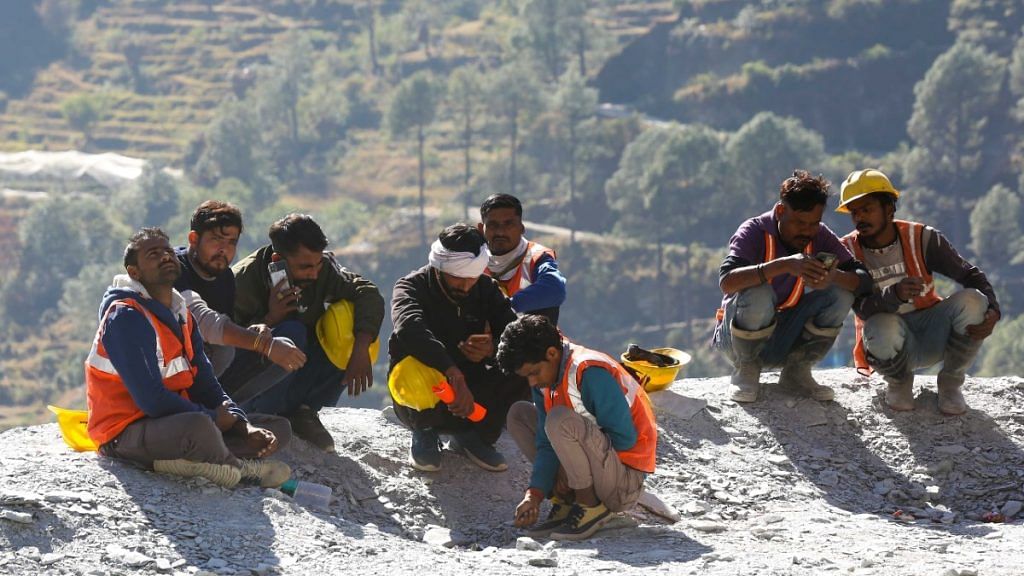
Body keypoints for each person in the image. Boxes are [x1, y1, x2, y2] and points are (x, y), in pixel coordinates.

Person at [85, 228, 291, 489]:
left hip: (173, 422)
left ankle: (195, 461)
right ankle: (241, 469)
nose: (165, 257)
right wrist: (214, 418)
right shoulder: (126, 316)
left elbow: (205, 383)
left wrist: (240, 424)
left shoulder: (181, 312)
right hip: (124, 433)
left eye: (168, 251)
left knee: (277, 428)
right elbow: (152, 401)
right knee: (198, 426)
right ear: (134, 273)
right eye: (153, 254)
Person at [836, 169, 1000, 415]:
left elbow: (969, 275)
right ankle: (899, 383)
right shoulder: (846, 251)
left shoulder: (922, 238)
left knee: (975, 301)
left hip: (934, 332)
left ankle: (950, 384)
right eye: (854, 212)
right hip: (888, 342)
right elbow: (861, 308)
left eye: (867, 209)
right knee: (880, 326)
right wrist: (895, 295)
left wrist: (994, 312)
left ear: (889, 208)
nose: (860, 217)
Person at [712, 170, 871, 403]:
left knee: (840, 293)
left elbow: (863, 278)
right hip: (735, 339)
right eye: (799, 223)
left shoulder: (819, 235)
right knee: (759, 291)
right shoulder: (753, 231)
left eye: (813, 223)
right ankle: (746, 369)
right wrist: (782, 266)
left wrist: (833, 276)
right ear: (780, 211)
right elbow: (727, 282)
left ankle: (797, 371)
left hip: (783, 336)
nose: (807, 231)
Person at [231, 214, 385, 452]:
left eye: (318, 265)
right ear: (277, 259)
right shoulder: (242, 281)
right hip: (253, 386)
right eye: (304, 267)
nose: (314, 274)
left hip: (300, 371)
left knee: (345, 325)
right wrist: (270, 319)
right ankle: (262, 416)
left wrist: (361, 348)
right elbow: (223, 348)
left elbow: (367, 292)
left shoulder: (322, 269)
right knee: (291, 332)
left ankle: (303, 411)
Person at [497, 314, 657, 541]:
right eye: (526, 377)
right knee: (519, 415)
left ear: (551, 353)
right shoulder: (544, 381)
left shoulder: (588, 372)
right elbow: (545, 442)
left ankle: (588, 504)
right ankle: (564, 501)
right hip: (595, 463)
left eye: (533, 372)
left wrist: (570, 466)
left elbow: (624, 439)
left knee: (559, 420)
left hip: (622, 480)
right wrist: (534, 494)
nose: (532, 382)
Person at [388, 223, 528, 472]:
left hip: (470, 387)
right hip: (430, 383)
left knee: (523, 364)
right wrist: (452, 372)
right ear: (440, 267)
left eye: (471, 278)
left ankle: (470, 435)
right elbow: (409, 328)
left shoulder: (485, 288)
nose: (465, 287)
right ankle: (425, 430)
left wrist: (492, 348)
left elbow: (514, 332)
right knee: (411, 365)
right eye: (458, 278)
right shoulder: (410, 287)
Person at [174, 200, 306, 392]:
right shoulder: (172, 268)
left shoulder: (224, 278)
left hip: (205, 368)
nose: (224, 249)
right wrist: (265, 345)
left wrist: (264, 324)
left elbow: (227, 331)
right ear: (194, 239)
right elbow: (205, 323)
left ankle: (226, 409)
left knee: (287, 339)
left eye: (231, 242)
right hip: (170, 370)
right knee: (226, 351)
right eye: (216, 239)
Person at [478, 194, 566, 324]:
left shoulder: (537, 256)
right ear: (481, 229)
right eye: (493, 225)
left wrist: (505, 307)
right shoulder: (472, 258)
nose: (500, 232)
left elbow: (555, 289)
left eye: (509, 224)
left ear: (522, 227)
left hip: (532, 340)